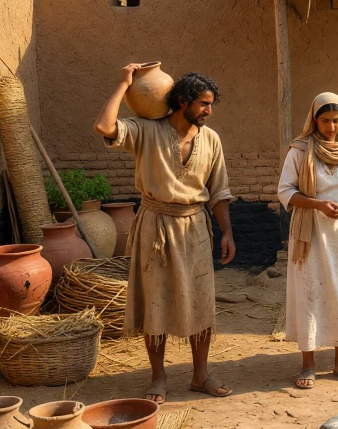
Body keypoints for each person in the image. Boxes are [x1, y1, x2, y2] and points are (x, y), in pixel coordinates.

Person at [94, 65, 234, 402]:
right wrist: (124, 83)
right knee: (155, 304)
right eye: (203, 104)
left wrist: (227, 232)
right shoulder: (146, 130)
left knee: (200, 303)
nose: (208, 111)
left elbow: (218, 191)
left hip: (196, 227)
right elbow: (104, 126)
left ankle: (200, 375)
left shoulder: (211, 139)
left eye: (211, 104)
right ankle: (158, 377)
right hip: (154, 225)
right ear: (183, 101)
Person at [278, 93, 338, 389]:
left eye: (336, 120)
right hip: (310, 231)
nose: (331, 127)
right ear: (314, 120)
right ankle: (308, 365)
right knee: (310, 293)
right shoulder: (300, 150)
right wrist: (318, 204)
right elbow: (285, 191)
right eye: (324, 120)